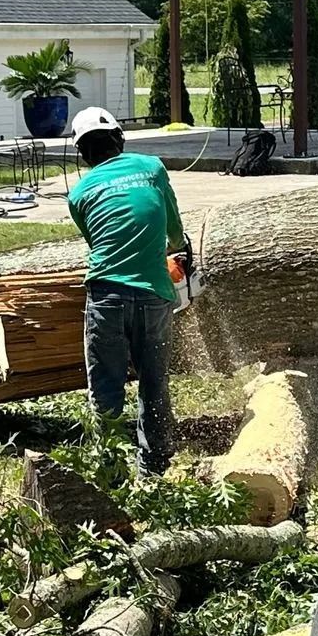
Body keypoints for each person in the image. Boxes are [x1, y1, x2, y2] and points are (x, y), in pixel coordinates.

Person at [66, 107, 186, 473]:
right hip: (153, 296)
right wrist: (176, 251)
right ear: (119, 138)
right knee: (154, 383)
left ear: (82, 153)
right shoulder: (151, 168)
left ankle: (111, 467)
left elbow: (98, 243)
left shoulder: (79, 193)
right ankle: (155, 465)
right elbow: (175, 232)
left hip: (106, 298)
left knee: (106, 386)